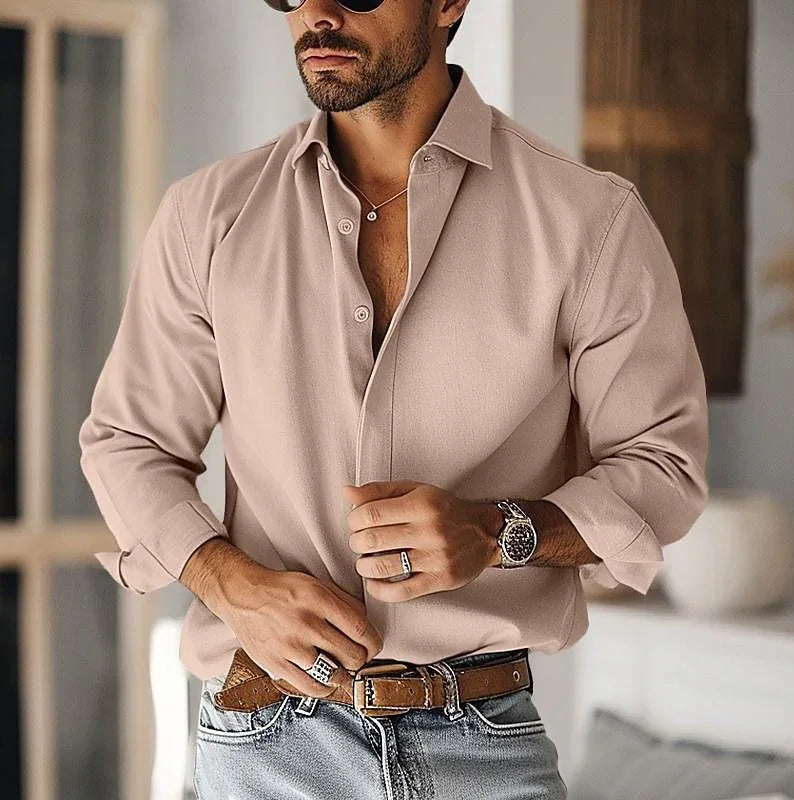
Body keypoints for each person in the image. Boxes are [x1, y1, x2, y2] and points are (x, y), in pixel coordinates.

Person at [78, 0, 709, 797]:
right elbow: (128, 443)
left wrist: (501, 531)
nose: (316, 13)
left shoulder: (592, 223)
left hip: (485, 749)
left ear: (449, 4)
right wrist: (230, 583)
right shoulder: (207, 218)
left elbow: (664, 467)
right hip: (265, 745)